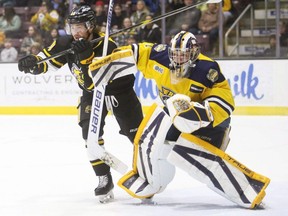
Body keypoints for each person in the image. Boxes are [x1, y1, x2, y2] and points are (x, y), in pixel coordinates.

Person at [91, 31, 270, 208]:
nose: (178, 58)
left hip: (208, 124)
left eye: (183, 54)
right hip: (175, 117)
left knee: (194, 157)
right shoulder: (159, 56)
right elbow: (136, 52)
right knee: (149, 135)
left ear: (193, 53)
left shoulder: (207, 70)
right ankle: (151, 180)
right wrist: (109, 62)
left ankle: (247, 191)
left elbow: (225, 103)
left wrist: (195, 113)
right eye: (175, 53)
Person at [18, 4, 143, 203]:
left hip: (119, 92)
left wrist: (86, 57)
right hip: (91, 94)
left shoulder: (107, 45)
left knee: (137, 136)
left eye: (79, 27)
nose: (75, 32)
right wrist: (32, 63)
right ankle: (104, 178)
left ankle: (146, 172)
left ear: (91, 26)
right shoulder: (66, 42)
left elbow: (97, 80)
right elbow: (46, 60)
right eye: (72, 27)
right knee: (89, 135)